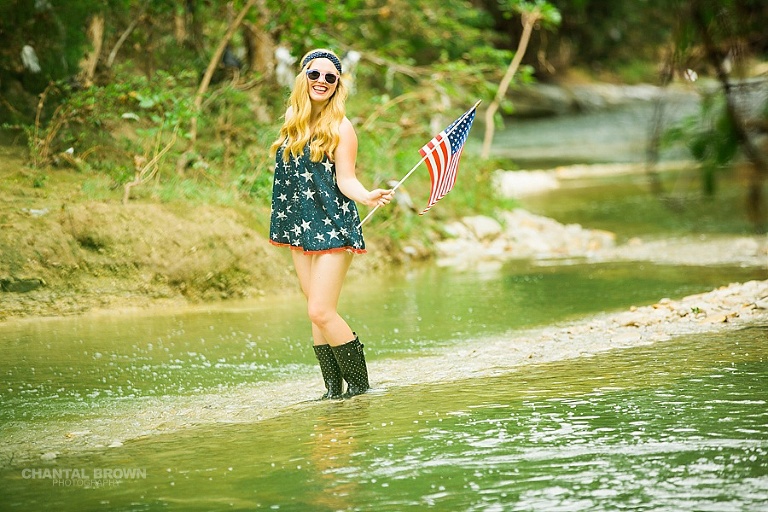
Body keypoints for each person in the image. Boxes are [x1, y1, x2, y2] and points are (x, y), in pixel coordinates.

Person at [269, 49, 394, 399]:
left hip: (333, 226)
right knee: (316, 312)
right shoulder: (292, 121)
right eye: (315, 74)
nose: (321, 81)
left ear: (337, 84)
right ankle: (333, 393)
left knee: (320, 310)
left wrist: (367, 195)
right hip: (298, 226)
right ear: (303, 77)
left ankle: (360, 389)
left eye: (330, 77)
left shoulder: (341, 127)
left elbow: (346, 179)